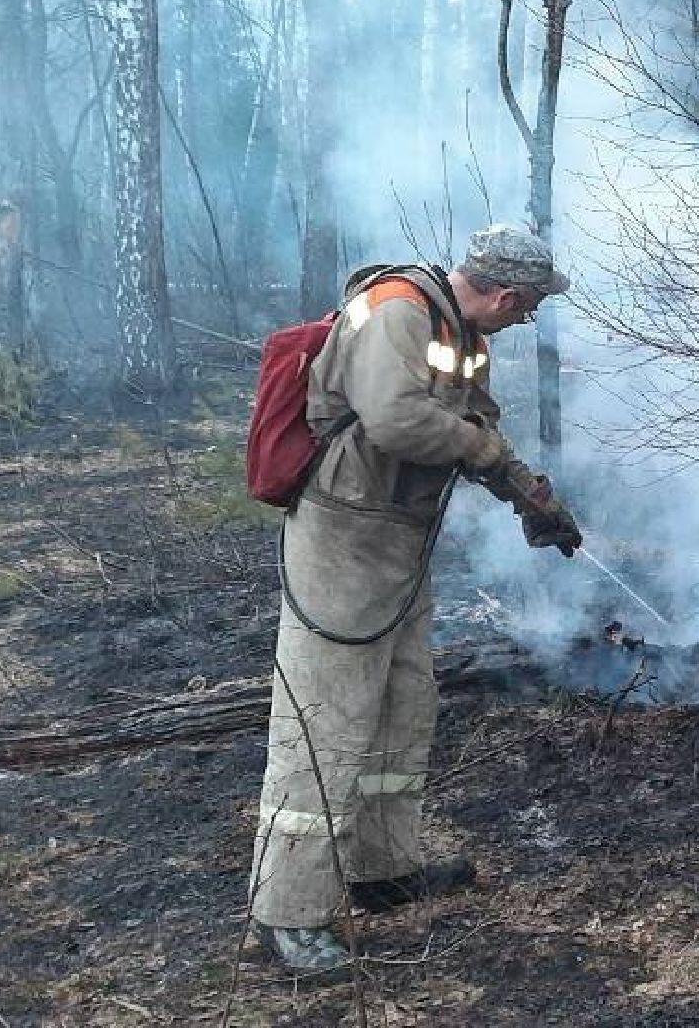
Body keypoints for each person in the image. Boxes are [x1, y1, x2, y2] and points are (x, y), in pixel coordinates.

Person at [250, 225, 582, 972]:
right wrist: (486, 454)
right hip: (344, 536)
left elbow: (476, 424)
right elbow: (397, 420)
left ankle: (382, 870)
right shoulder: (400, 310)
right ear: (502, 293)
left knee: (404, 702)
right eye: (526, 307)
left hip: (396, 537)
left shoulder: (461, 334)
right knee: (327, 717)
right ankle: (289, 912)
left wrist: (528, 494)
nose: (526, 319)